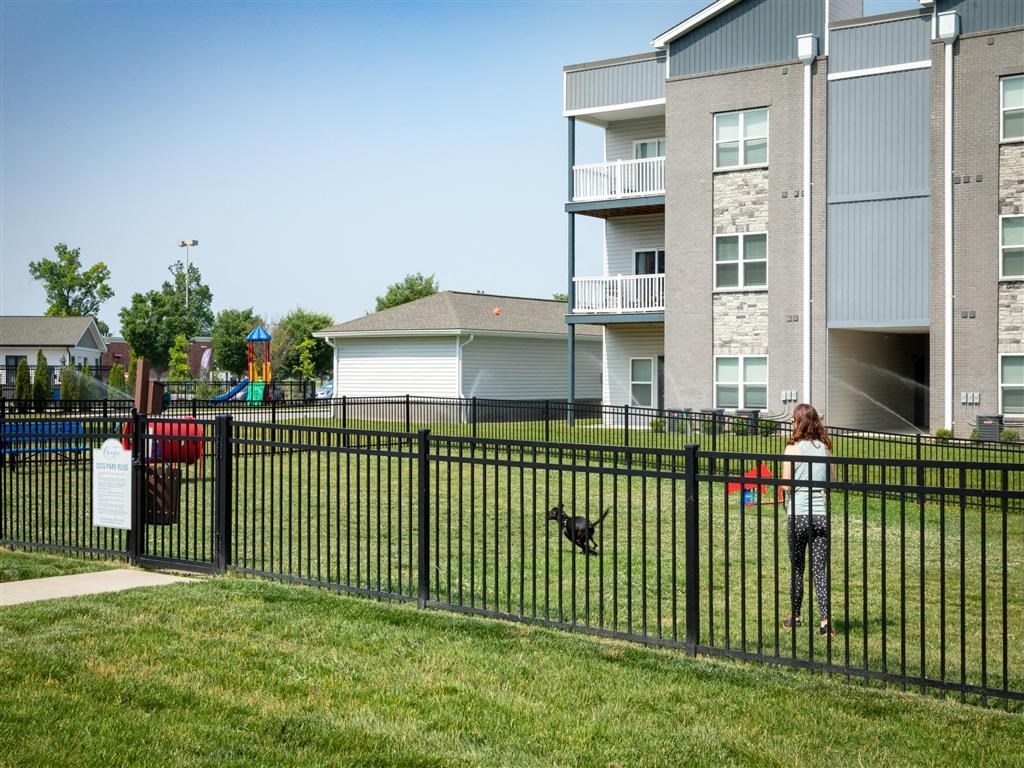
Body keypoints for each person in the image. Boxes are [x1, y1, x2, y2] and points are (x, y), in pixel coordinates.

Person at [780, 403, 836, 637]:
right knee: (820, 571)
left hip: (799, 516)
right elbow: (832, 481)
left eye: (793, 420)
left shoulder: (792, 449)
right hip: (820, 516)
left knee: (798, 569)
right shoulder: (825, 448)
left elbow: (784, 484)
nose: (791, 423)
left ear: (799, 422)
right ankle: (825, 623)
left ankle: (795, 617)